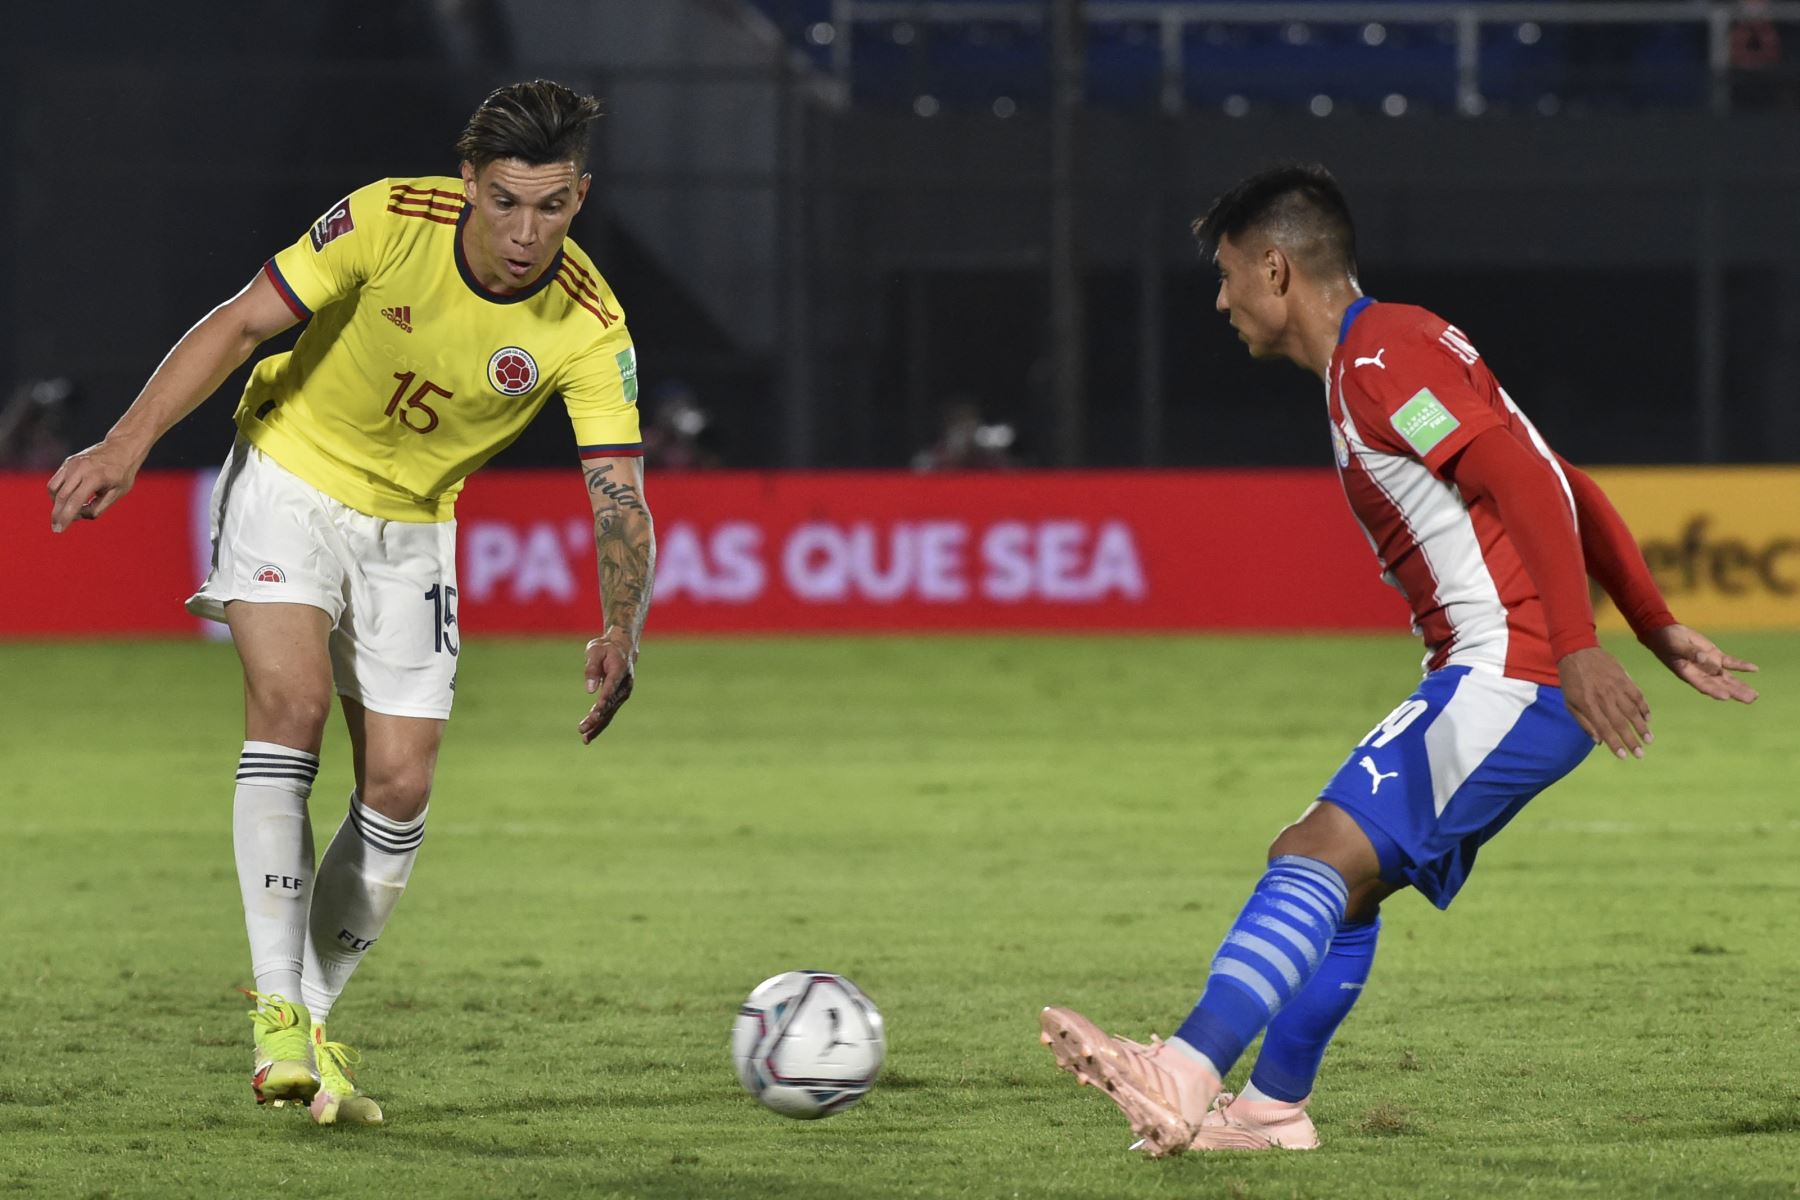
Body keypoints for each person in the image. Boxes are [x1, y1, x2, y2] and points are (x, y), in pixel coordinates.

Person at [1039, 164, 1760, 1156]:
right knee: (1335, 874)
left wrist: (1590, 645)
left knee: (1314, 858)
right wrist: (1648, 616)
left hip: (1513, 669)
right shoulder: (1388, 353)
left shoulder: (1382, 362)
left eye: (1228, 276)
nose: (1221, 300)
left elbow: (1520, 479)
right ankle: (1269, 1110)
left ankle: (1189, 1066)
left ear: (1277, 269)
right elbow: (1562, 477)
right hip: (1505, 669)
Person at [46, 80, 654, 1125]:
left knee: (402, 787)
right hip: (289, 473)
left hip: (414, 526)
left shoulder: (590, 324)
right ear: (469, 183)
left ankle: (310, 1020)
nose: (524, 232)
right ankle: (277, 1013)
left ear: (580, 197)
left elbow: (618, 491)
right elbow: (242, 324)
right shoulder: (386, 218)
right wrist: (129, 440)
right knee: (291, 707)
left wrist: (621, 624)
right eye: (505, 201)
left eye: (550, 207)